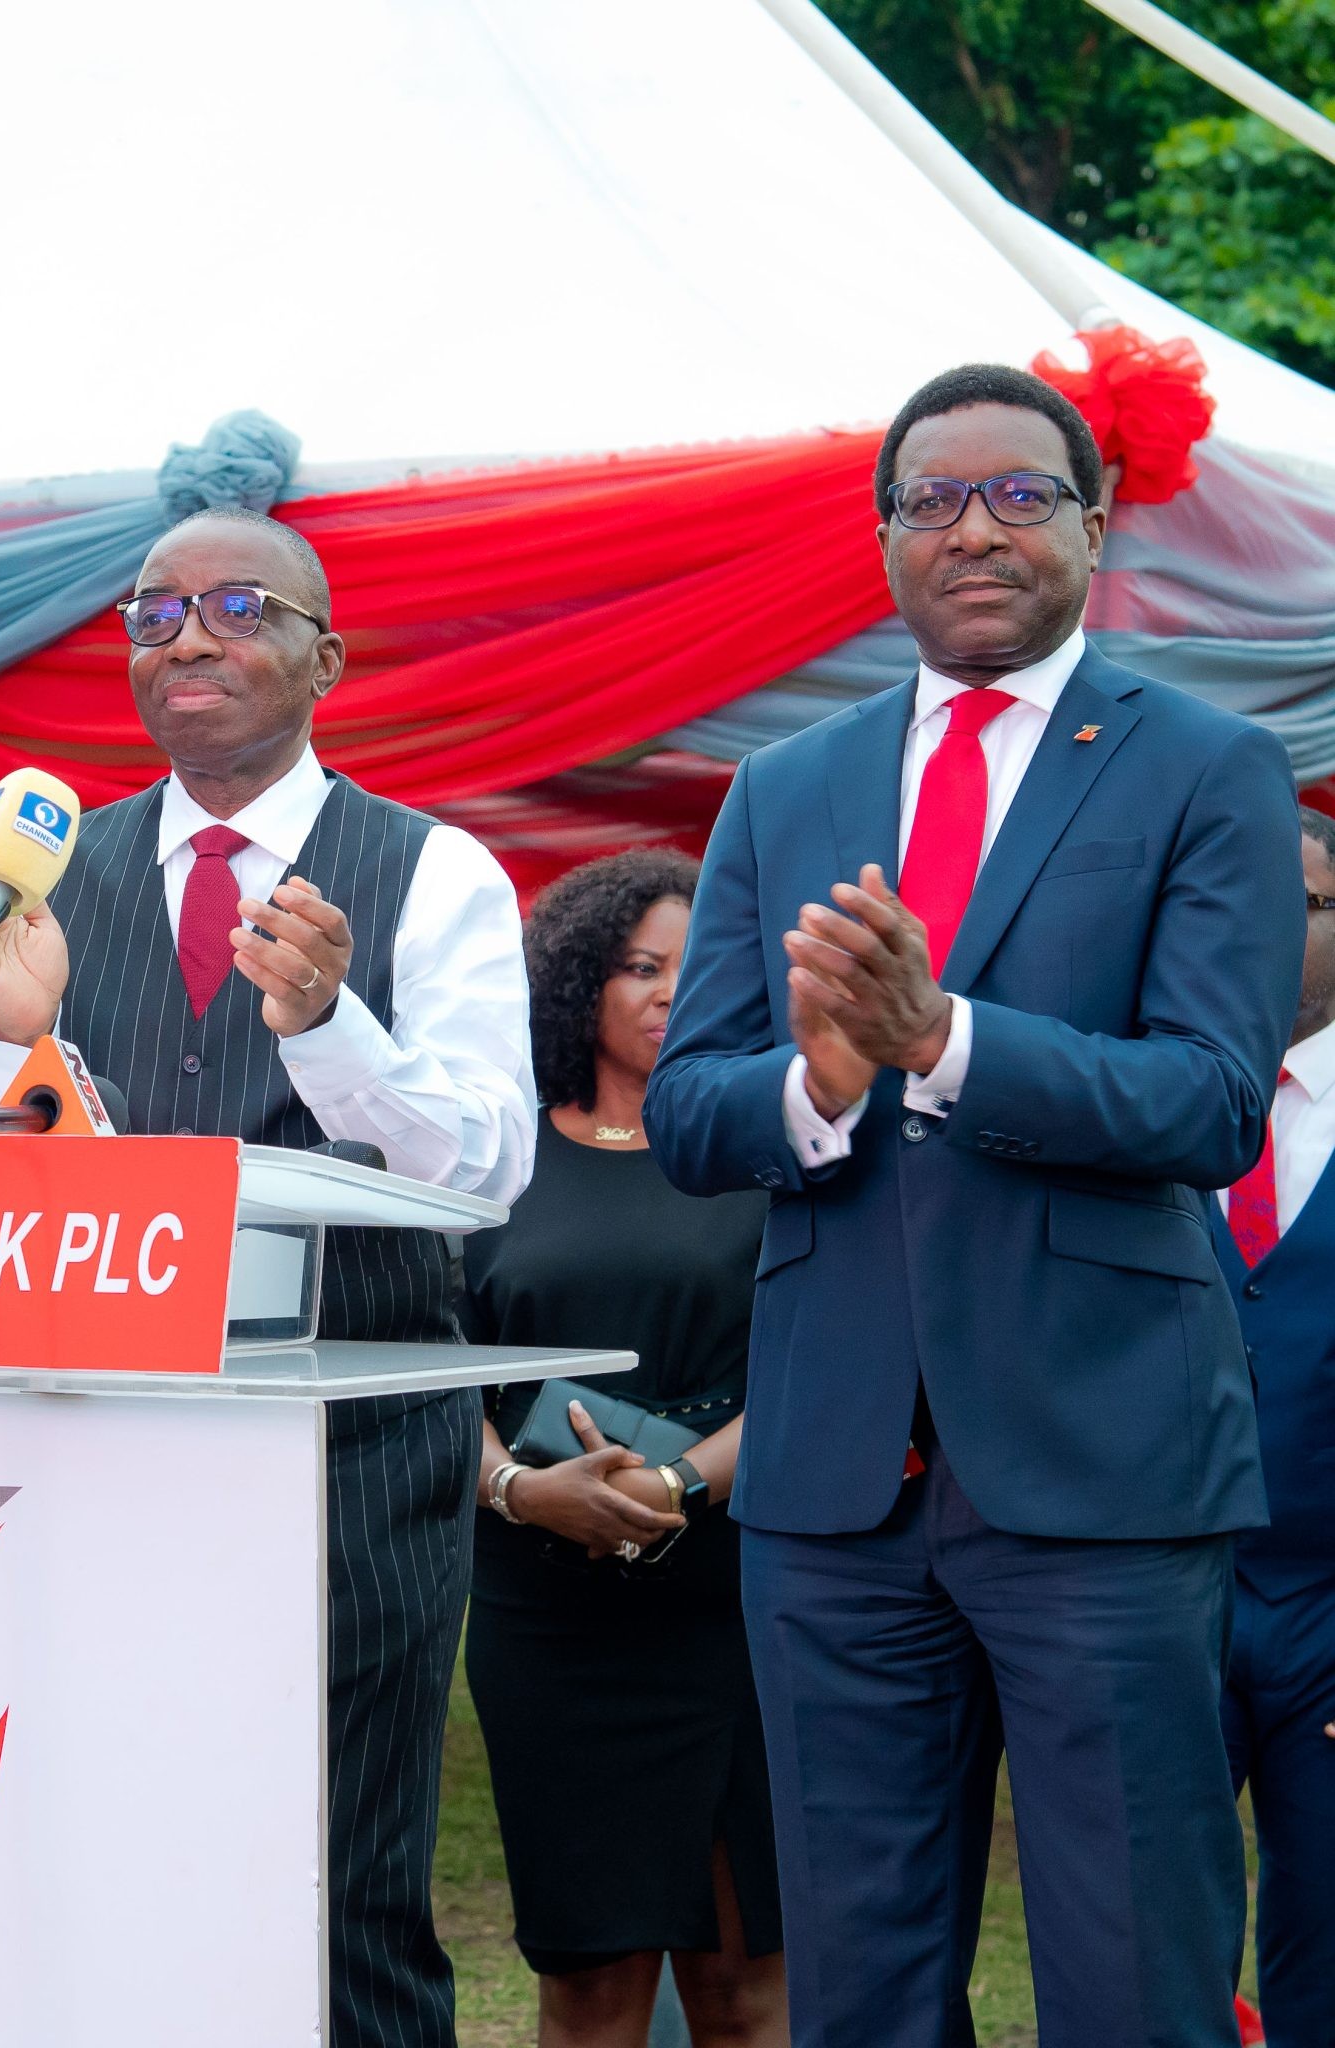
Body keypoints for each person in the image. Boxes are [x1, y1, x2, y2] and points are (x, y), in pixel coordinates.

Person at [645, 364, 1303, 2048]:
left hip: (1103, 1467)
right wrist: (820, 1084)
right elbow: (689, 1107)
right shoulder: (784, 789)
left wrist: (945, 1040)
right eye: (933, 500)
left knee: (1132, 1974)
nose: (975, 529)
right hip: (834, 1483)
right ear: (886, 540)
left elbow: (1211, 1100)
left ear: (1096, 522)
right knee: (860, 1988)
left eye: (1020, 494)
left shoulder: (1207, 769)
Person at [0, 504, 536, 2048]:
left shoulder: (436, 873)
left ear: (326, 659)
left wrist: (331, 1024)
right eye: (155, 611)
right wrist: (13, 1036)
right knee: (103, 1876)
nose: (189, 635)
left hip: (351, 1473)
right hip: (90, 1458)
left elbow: (483, 1171)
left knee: (338, 1900)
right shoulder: (45, 874)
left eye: (238, 606)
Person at [465, 848, 784, 2048]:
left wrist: (671, 1481)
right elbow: (429, 1371)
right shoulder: (492, 1155)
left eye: (695, 968)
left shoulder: (771, 1155)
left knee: (745, 1987)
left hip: (732, 1608)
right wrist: (517, 1486)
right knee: (588, 1990)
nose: (667, 992)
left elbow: (815, 1372)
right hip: (547, 1623)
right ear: (576, 983)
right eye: (639, 966)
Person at [1210, 805, 1335, 2046]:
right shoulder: (1124, 1101)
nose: (1257, 927)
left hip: (1329, 1607)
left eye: (1298, 904)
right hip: (1157, 1600)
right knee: (1146, 1945)